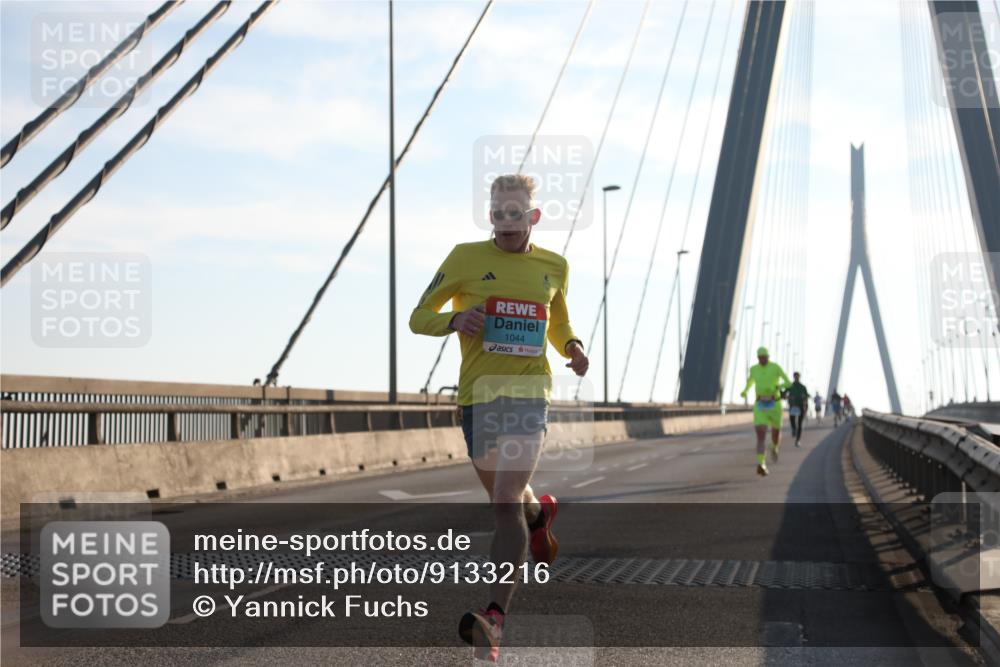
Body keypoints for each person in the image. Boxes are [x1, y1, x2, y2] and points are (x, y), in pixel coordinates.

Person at [409, 174, 589, 661]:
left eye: (517, 214)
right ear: (490, 216)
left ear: (533, 217)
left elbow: (559, 322)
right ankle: (540, 515)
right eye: (498, 213)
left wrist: (572, 347)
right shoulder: (465, 258)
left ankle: (493, 620)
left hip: (530, 394)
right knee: (510, 502)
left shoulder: (555, 266)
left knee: (504, 502)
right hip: (478, 398)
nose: (507, 222)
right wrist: (453, 320)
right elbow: (418, 316)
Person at [740, 346, 792, 476]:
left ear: (768, 357)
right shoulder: (754, 369)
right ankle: (761, 464)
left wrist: (779, 386)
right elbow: (750, 382)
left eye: (765, 357)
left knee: (775, 434)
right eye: (760, 357)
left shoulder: (775, 367)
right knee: (761, 435)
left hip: (775, 405)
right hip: (760, 405)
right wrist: (745, 391)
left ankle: (774, 447)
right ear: (758, 358)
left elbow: (788, 382)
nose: (763, 359)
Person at [785, 372, 809, 447]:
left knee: (800, 424)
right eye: (795, 377)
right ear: (793, 377)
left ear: (799, 377)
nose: (796, 378)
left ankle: (798, 440)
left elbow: (806, 397)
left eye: (797, 377)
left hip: (800, 406)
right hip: (792, 406)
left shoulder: (803, 387)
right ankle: (793, 429)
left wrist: (806, 406)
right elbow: (784, 394)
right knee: (792, 419)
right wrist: (788, 397)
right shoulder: (790, 386)